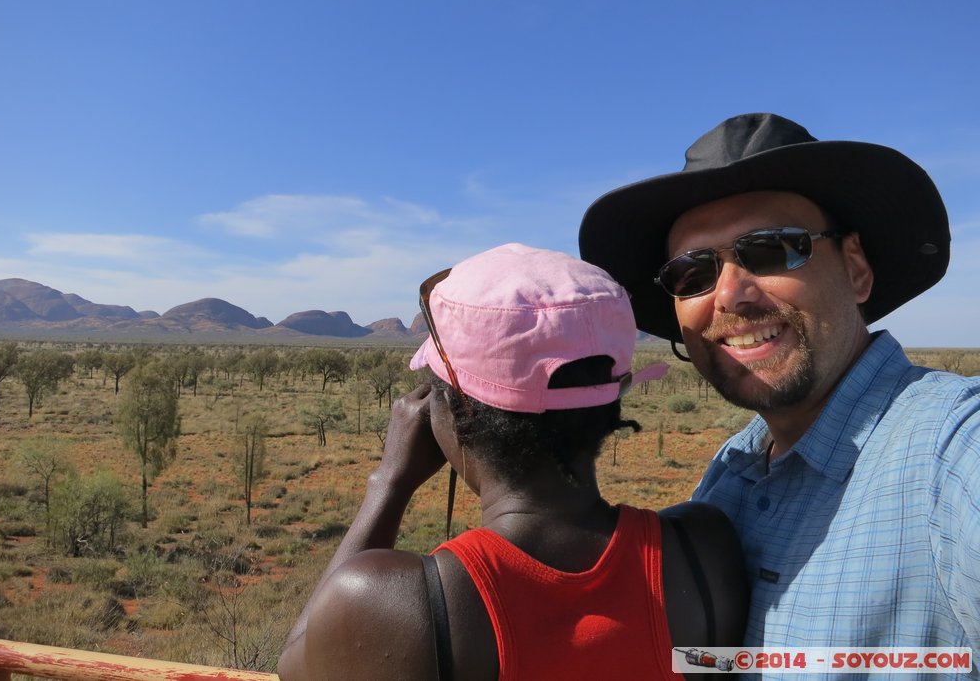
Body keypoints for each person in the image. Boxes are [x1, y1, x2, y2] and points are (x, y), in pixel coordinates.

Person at [579, 113, 980, 673]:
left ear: (857, 268)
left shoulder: (952, 453)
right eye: (692, 273)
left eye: (770, 249)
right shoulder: (733, 468)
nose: (730, 295)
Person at [277, 243, 748, 680]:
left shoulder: (395, 603)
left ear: (455, 411)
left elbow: (296, 666)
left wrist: (389, 482)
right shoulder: (703, 549)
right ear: (611, 403)